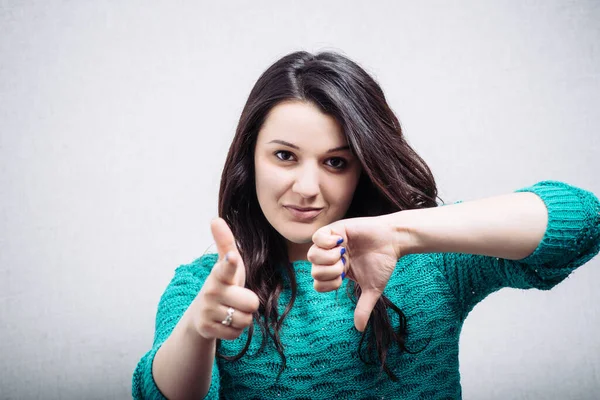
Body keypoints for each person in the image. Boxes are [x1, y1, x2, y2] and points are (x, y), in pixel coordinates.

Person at [132, 51, 600, 399]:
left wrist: (404, 233)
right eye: (284, 156)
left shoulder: (425, 263)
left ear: (362, 169)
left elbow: (581, 221)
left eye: (336, 162)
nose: (307, 187)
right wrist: (198, 328)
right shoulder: (203, 287)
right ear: (248, 160)